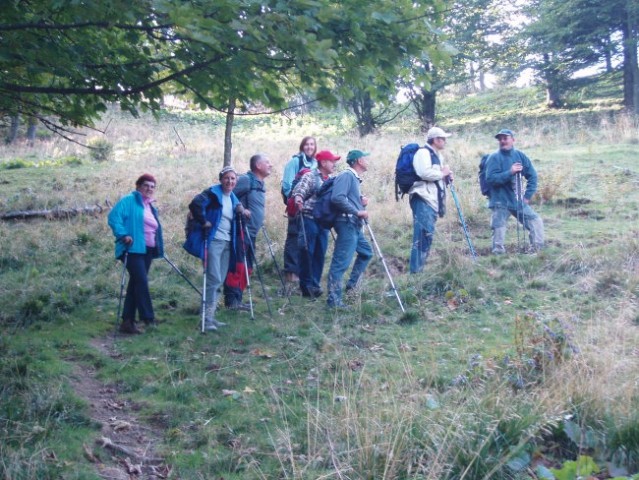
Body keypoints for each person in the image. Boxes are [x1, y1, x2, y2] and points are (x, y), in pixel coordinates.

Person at [187, 166, 249, 332]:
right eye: (227, 178)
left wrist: (243, 211)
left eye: (233, 179)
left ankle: (210, 317)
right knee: (213, 279)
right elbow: (194, 204)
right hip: (213, 241)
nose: (230, 181)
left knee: (219, 280)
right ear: (221, 179)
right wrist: (203, 221)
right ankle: (205, 318)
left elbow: (238, 210)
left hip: (228, 243)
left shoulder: (232, 197)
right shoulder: (212, 193)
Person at [108, 173, 164, 334]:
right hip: (131, 248)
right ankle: (148, 318)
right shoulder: (129, 201)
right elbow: (113, 217)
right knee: (141, 282)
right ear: (138, 186)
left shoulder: (150, 206)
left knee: (135, 285)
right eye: (146, 185)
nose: (149, 189)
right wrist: (123, 234)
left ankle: (127, 322)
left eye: (152, 187)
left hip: (147, 250)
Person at [223, 153, 272, 311]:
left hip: (251, 233)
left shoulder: (259, 183)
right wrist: (241, 209)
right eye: (267, 162)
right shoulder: (245, 179)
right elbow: (227, 193)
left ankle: (238, 297)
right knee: (238, 265)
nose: (270, 165)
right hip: (241, 231)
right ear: (258, 165)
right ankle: (231, 300)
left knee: (247, 267)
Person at [326, 150, 373, 309]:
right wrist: (357, 211)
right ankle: (334, 301)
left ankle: (351, 286)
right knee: (340, 262)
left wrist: (360, 203)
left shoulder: (353, 178)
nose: (367, 161)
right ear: (359, 160)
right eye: (365, 158)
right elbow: (337, 197)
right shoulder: (347, 175)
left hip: (352, 224)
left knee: (366, 252)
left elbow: (345, 198)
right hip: (346, 223)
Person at [485, 128, 544, 254]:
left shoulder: (520, 156)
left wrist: (527, 196)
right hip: (499, 200)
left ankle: (538, 251)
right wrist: (510, 172)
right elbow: (490, 179)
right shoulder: (493, 158)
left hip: (517, 200)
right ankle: (498, 255)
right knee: (498, 227)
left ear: (513, 139)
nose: (502, 141)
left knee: (535, 221)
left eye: (505, 138)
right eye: (500, 139)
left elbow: (532, 175)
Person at [291, 150, 341, 298]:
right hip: (308, 219)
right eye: (332, 161)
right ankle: (306, 287)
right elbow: (299, 191)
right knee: (307, 252)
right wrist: (299, 199)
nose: (334, 164)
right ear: (323, 163)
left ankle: (314, 285)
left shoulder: (331, 179)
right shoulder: (310, 176)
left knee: (320, 253)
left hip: (323, 223)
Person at [408, 126, 454, 274]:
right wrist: (442, 173)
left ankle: (418, 271)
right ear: (435, 140)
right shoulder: (423, 153)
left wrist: (446, 177)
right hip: (423, 199)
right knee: (422, 236)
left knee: (427, 236)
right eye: (443, 139)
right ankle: (415, 274)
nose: (445, 141)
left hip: (432, 202)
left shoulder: (437, 155)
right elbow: (423, 173)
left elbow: (436, 178)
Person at [280, 136, 318, 293]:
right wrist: (294, 199)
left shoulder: (315, 163)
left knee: (304, 240)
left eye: (312, 144)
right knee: (294, 237)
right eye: (307, 144)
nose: (309, 147)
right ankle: (290, 273)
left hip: (309, 208)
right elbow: (286, 184)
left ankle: (302, 272)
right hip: (296, 205)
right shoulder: (295, 162)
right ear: (302, 146)